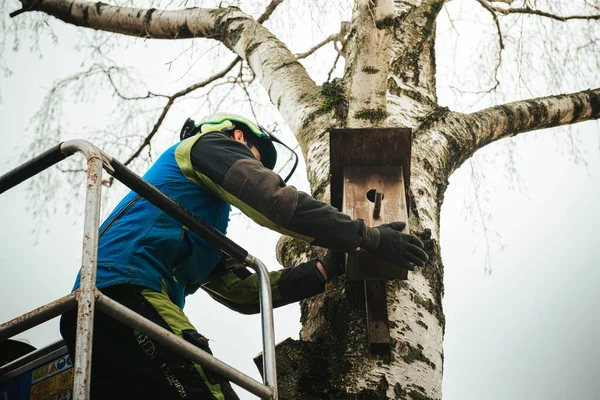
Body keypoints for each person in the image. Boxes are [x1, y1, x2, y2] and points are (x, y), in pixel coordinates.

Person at [59, 113, 429, 399]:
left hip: (103, 317)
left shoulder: (196, 216)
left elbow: (243, 291)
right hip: (123, 294)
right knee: (208, 389)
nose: (260, 170)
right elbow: (274, 201)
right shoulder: (206, 146)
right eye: (256, 160)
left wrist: (322, 269)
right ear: (238, 137)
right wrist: (367, 237)